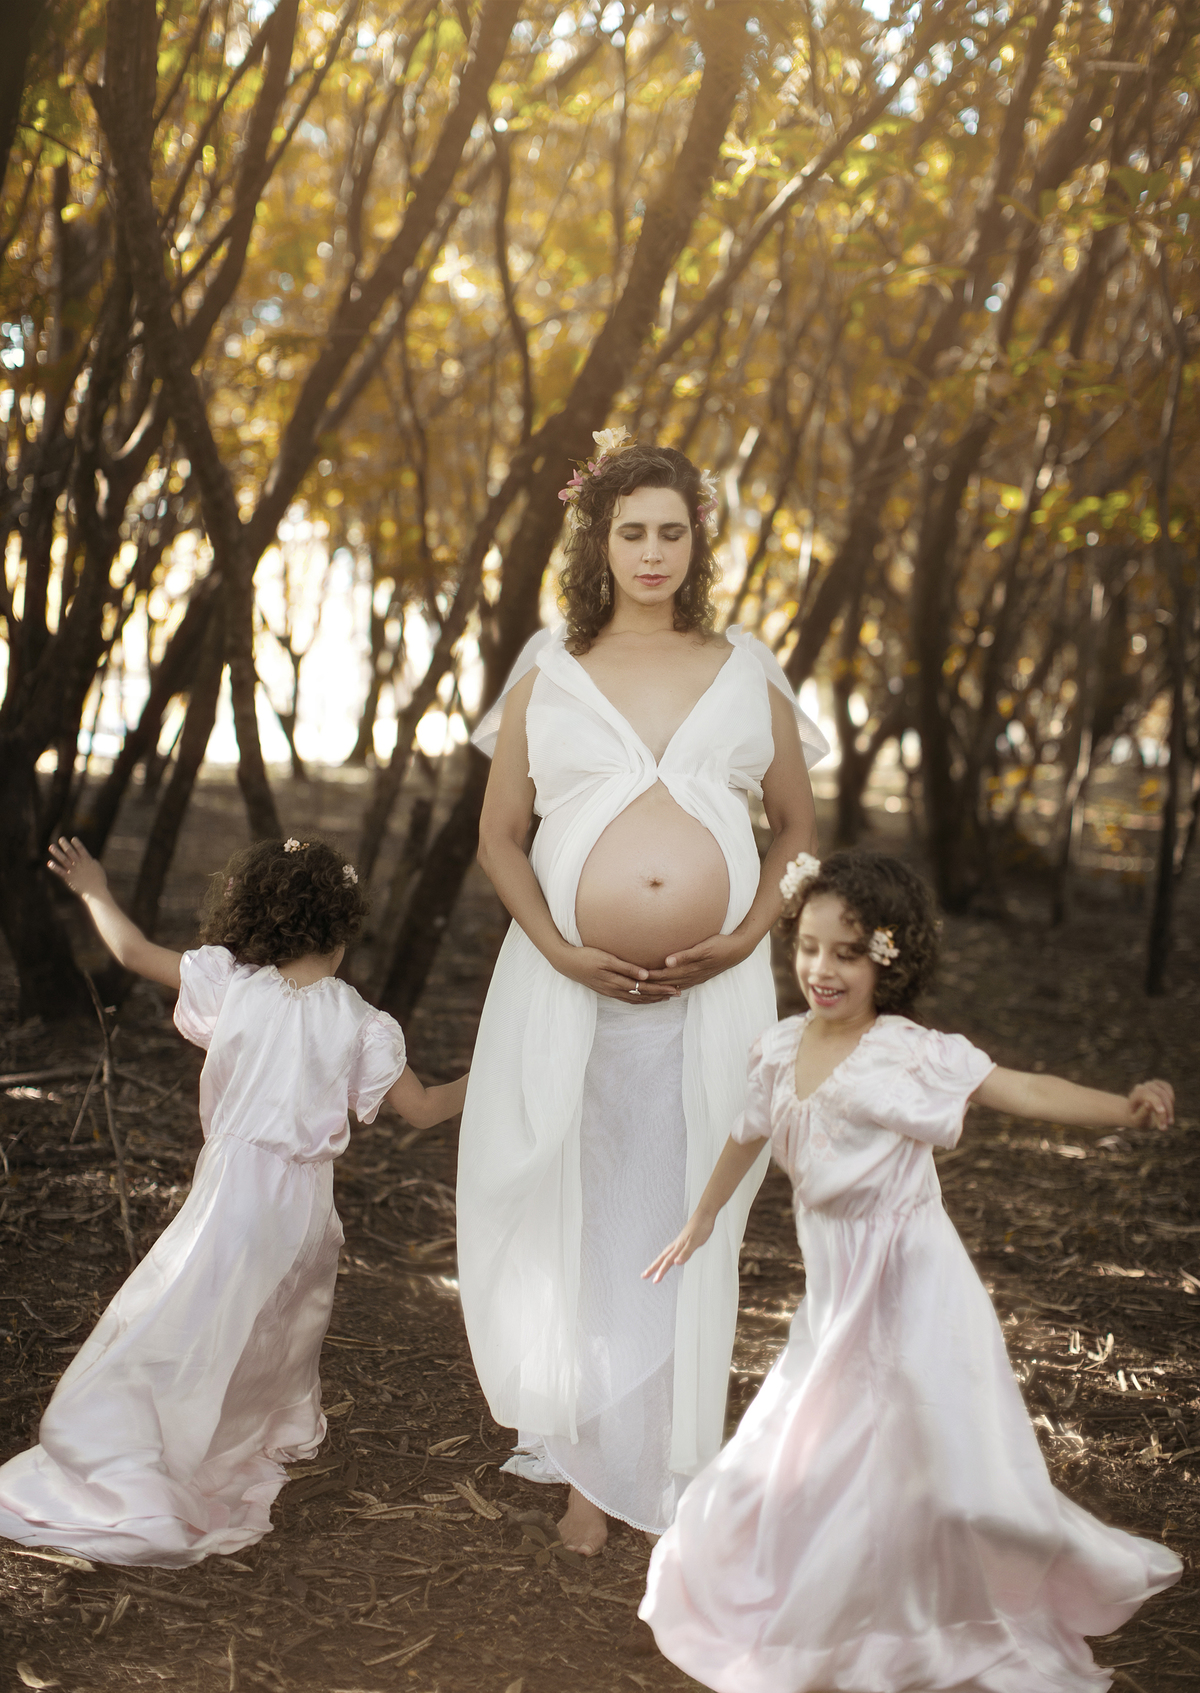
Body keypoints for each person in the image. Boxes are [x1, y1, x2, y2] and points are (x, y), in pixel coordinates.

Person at [639, 849, 1181, 1693]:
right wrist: (703, 1215)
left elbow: (1025, 1091)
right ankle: (835, 1600)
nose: (822, 969)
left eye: (847, 953)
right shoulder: (779, 1048)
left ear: (888, 959)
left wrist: (1124, 1109)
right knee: (810, 1437)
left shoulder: (909, 1053)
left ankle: (939, 1607)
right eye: (809, 946)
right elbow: (746, 1134)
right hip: (834, 1288)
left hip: (913, 1281)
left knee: (931, 1448)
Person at [458, 429, 828, 1556]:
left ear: (697, 540)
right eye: (633, 532)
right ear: (599, 540)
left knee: (680, 1213)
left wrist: (748, 936)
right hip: (566, 991)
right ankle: (586, 1465)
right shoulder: (550, 665)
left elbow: (798, 829)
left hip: (712, 996)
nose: (653, 551)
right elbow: (499, 836)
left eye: (672, 530)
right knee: (580, 1205)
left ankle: (656, 1457)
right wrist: (561, 949)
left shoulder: (747, 666)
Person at [0, 835, 467, 1567]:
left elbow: (132, 951)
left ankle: (132, 1438)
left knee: (183, 1311)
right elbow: (428, 1108)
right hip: (305, 1207)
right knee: (271, 1319)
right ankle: (247, 1428)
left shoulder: (233, 983)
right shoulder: (362, 1021)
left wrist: (93, 889)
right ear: (341, 931)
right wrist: (495, 1067)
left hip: (236, 1190)